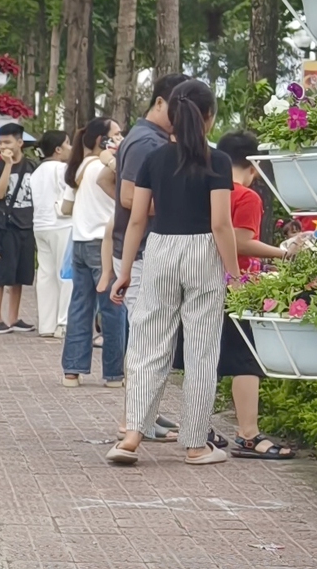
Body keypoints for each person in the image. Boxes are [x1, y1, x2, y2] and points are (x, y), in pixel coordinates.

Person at [108, 77, 239, 465]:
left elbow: (135, 221)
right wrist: (234, 273)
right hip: (202, 251)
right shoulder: (218, 161)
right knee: (201, 350)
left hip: (160, 248)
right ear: (209, 118)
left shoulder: (154, 159)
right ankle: (196, 445)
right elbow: (220, 224)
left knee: (149, 343)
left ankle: (131, 436)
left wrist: (125, 269)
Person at [214, 130, 302, 457]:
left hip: (203, 281)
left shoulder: (210, 190)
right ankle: (248, 433)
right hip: (235, 285)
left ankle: (199, 426)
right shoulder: (246, 197)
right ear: (254, 164)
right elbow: (239, 241)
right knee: (247, 361)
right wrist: (284, 253)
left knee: (203, 358)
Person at [62, 119, 128, 386]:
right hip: (104, 243)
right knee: (113, 309)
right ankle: (113, 374)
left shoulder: (78, 168)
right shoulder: (106, 165)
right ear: (103, 139)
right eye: (117, 134)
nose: (121, 138)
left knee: (80, 307)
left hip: (79, 242)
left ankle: (72, 371)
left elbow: (66, 208)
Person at [0, 123, 36, 331]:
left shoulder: (32, 166)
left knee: (20, 276)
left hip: (27, 225)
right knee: (0, 275)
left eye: (7, 142)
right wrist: (7, 165)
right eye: (0, 142)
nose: (2, 146)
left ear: (20, 142)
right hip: (6, 226)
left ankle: (14, 318)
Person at [29, 130, 74, 338]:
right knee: (65, 275)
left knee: (46, 275)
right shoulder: (62, 169)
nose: (70, 147)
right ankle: (63, 323)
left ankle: (46, 324)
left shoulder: (37, 171)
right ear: (58, 149)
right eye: (67, 143)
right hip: (62, 225)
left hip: (40, 226)